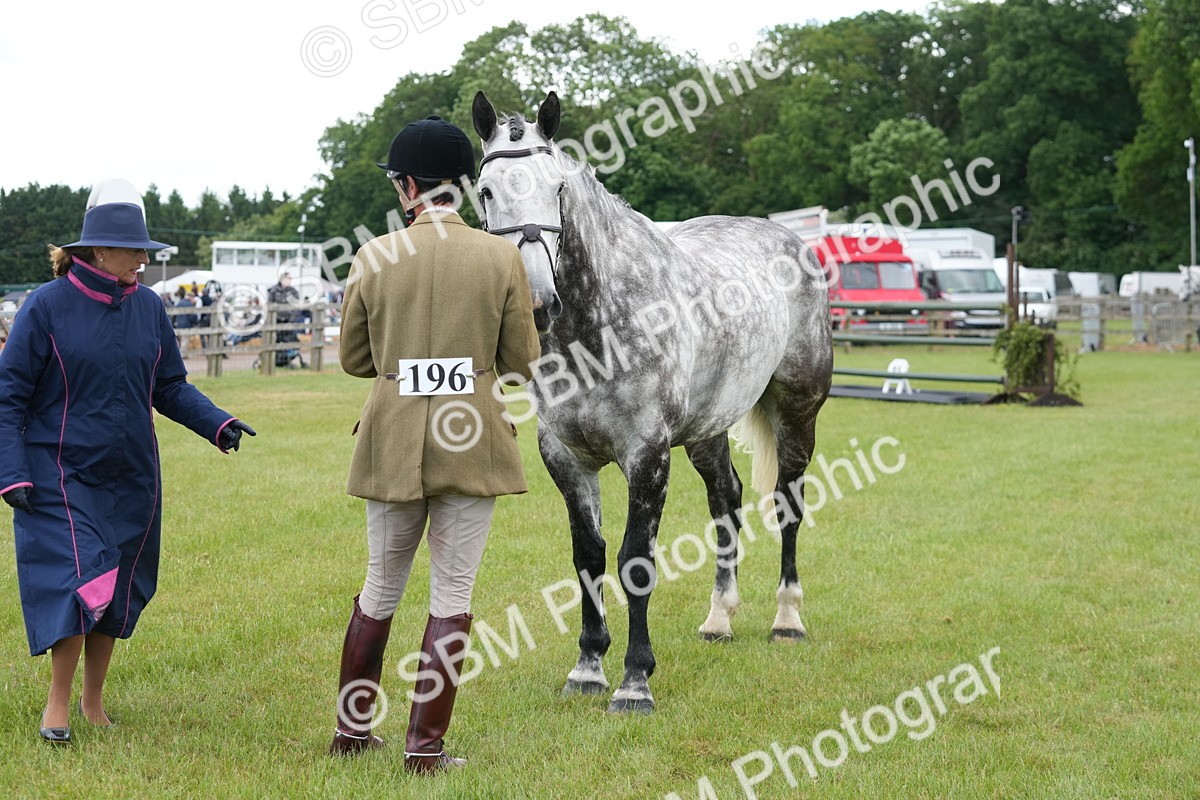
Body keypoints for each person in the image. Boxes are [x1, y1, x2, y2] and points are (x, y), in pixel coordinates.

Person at [0, 202, 256, 745]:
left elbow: (170, 387)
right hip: (60, 472)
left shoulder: (149, 309)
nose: (143, 259)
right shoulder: (44, 307)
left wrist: (218, 423)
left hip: (133, 473)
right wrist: (12, 471)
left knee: (117, 588)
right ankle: (58, 705)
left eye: (146, 250)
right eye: (134, 250)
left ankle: (94, 702)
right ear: (96, 251)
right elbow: (9, 398)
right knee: (81, 578)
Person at [329, 115, 540, 773]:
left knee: (379, 587)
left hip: (391, 437)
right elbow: (521, 361)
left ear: (409, 187)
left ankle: (352, 732)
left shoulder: (373, 256)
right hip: (472, 437)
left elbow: (355, 361)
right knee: (453, 592)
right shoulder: (501, 256)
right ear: (462, 187)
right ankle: (425, 749)